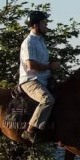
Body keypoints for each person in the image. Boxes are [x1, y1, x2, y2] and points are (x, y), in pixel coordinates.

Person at [19, 11, 61, 144]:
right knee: (47, 100)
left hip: (43, 79)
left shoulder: (40, 41)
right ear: (35, 25)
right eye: (44, 23)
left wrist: (51, 71)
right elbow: (30, 65)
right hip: (30, 81)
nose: (46, 25)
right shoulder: (29, 42)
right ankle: (30, 131)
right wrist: (50, 67)